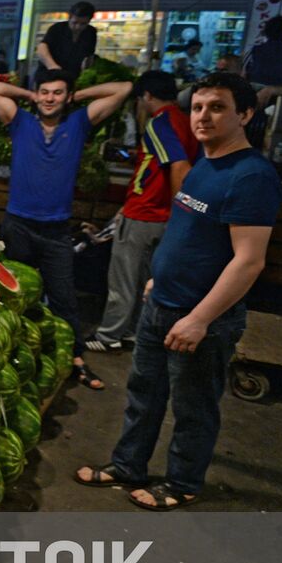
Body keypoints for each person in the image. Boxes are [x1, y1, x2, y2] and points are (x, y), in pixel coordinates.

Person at [75, 72, 282, 510]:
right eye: (198, 107)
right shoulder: (206, 162)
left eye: (218, 107)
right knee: (142, 397)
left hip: (200, 318)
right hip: (161, 305)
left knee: (193, 409)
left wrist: (200, 319)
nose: (203, 116)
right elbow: (188, 230)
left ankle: (183, 482)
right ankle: (127, 465)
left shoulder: (251, 176)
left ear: (245, 114)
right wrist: (158, 279)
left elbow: (249, 260)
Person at [0, 70, 133, 390]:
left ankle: (74, 359)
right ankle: (10, 358)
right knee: (13, 297)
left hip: (56, 231)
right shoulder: (20, 121)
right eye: (45, 92)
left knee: (64, 298)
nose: (50, 98)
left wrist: (79, 95)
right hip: (18, 225)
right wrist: (28, 94)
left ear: (67, 97)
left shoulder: (78, 124)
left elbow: (123, 87)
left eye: (58, 93)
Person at [85, 72, 200, 353]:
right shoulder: (187, 122)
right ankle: (134, 331)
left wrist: (180, 214)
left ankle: (109, 335)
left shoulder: (160, 122)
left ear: (146, 95)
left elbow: (178, 166)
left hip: (145, 213)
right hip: (158, 216)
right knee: (143, 281)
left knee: (122, 280)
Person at [242, 17, 282, 148]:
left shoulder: (255, 50)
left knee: (251, 135)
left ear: (265, 32)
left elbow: (242, 74)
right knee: (276, 137)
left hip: (256, 99)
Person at [36, 1, 97, 83]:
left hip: (73, 76)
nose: (78, 27)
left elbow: (89, 56)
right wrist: (53, 67)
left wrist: (86, 72)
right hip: (49, 74)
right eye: (74, 23)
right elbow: (42, 48)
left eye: (83, 24)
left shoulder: (91, 32)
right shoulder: (57, 28)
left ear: (89, 21)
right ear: (69, 18)